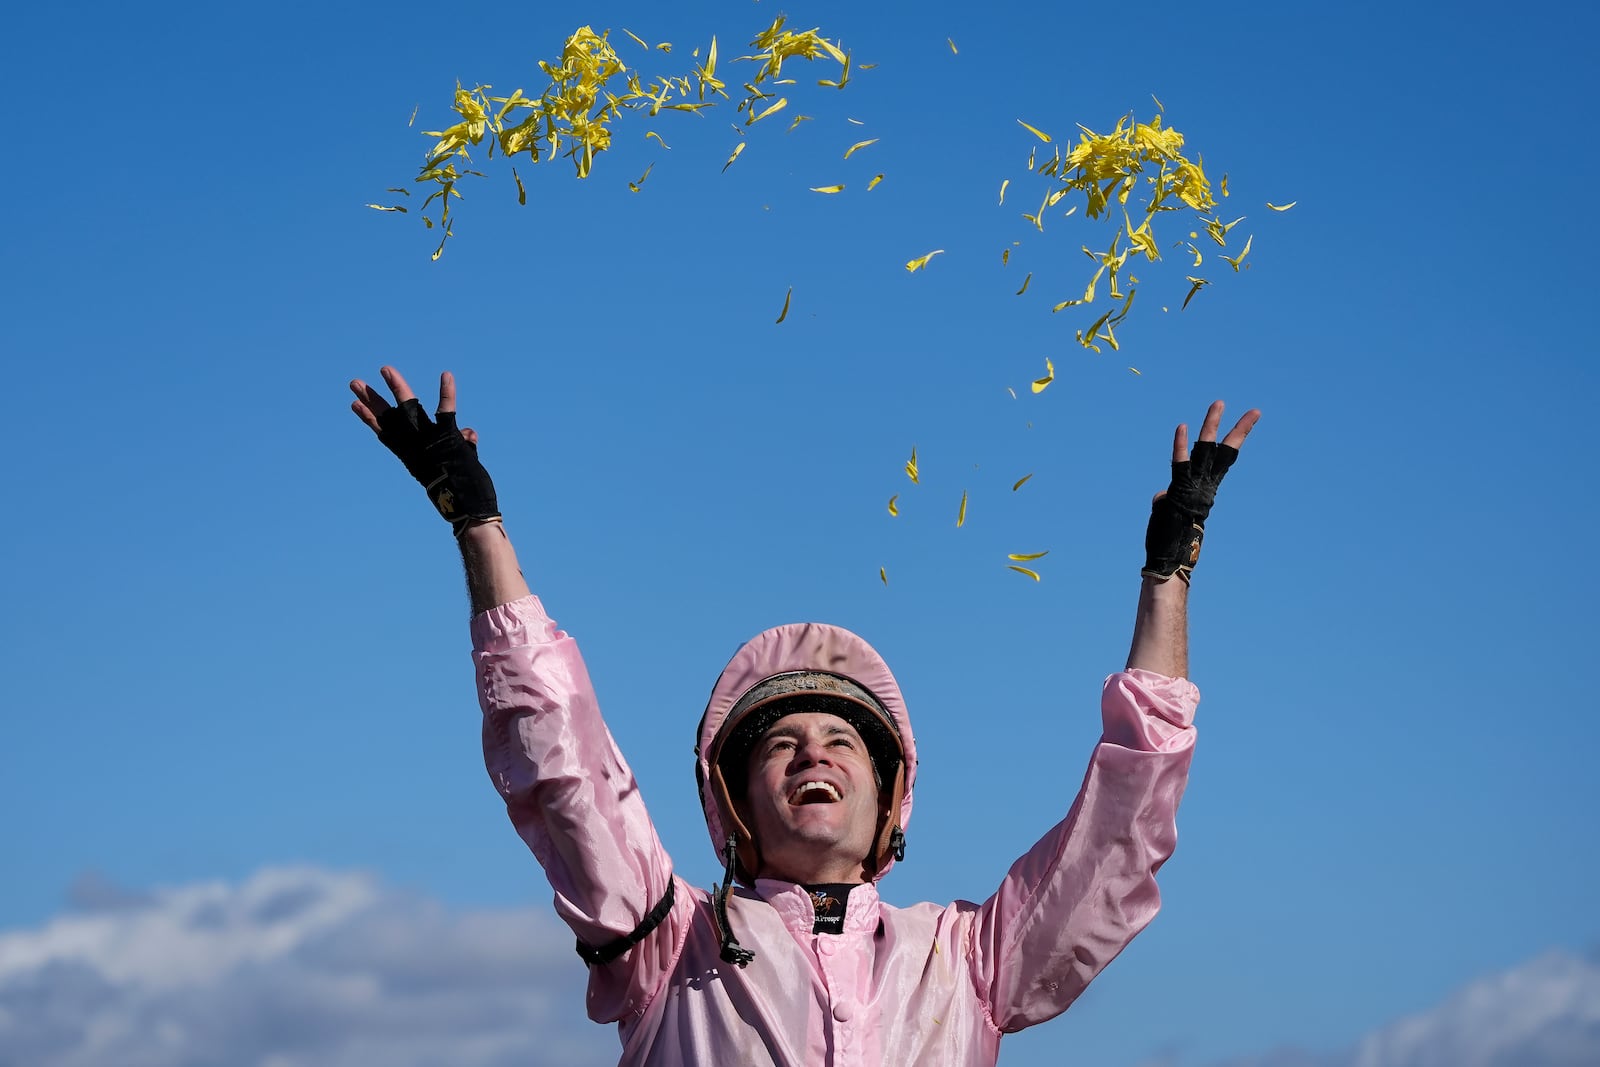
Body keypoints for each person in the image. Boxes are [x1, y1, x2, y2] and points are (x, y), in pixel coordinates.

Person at [349, 366, 1260, 1067]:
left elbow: (1122, 828)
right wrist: (476, 522)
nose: (811, 754)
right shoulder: (672, 946)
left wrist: (1168, 573)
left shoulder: (970, 959)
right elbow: (564, 768)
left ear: (890, 795)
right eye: (779, 744)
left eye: (839, 742)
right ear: (735, 804)